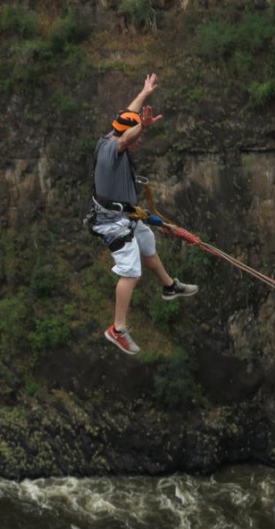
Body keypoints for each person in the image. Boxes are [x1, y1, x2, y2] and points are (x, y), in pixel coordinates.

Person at [89, 73, 198, 355]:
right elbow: (127, 137)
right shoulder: (114, 149)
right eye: (136, 137)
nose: (137, 144)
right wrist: (144, 127)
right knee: (131, 274)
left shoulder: (106, 138)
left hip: (126, 215)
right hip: (112, 223)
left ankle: (169, 287)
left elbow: (126, 116)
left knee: (148, 245)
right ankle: (118, 329)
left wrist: (144, 93)